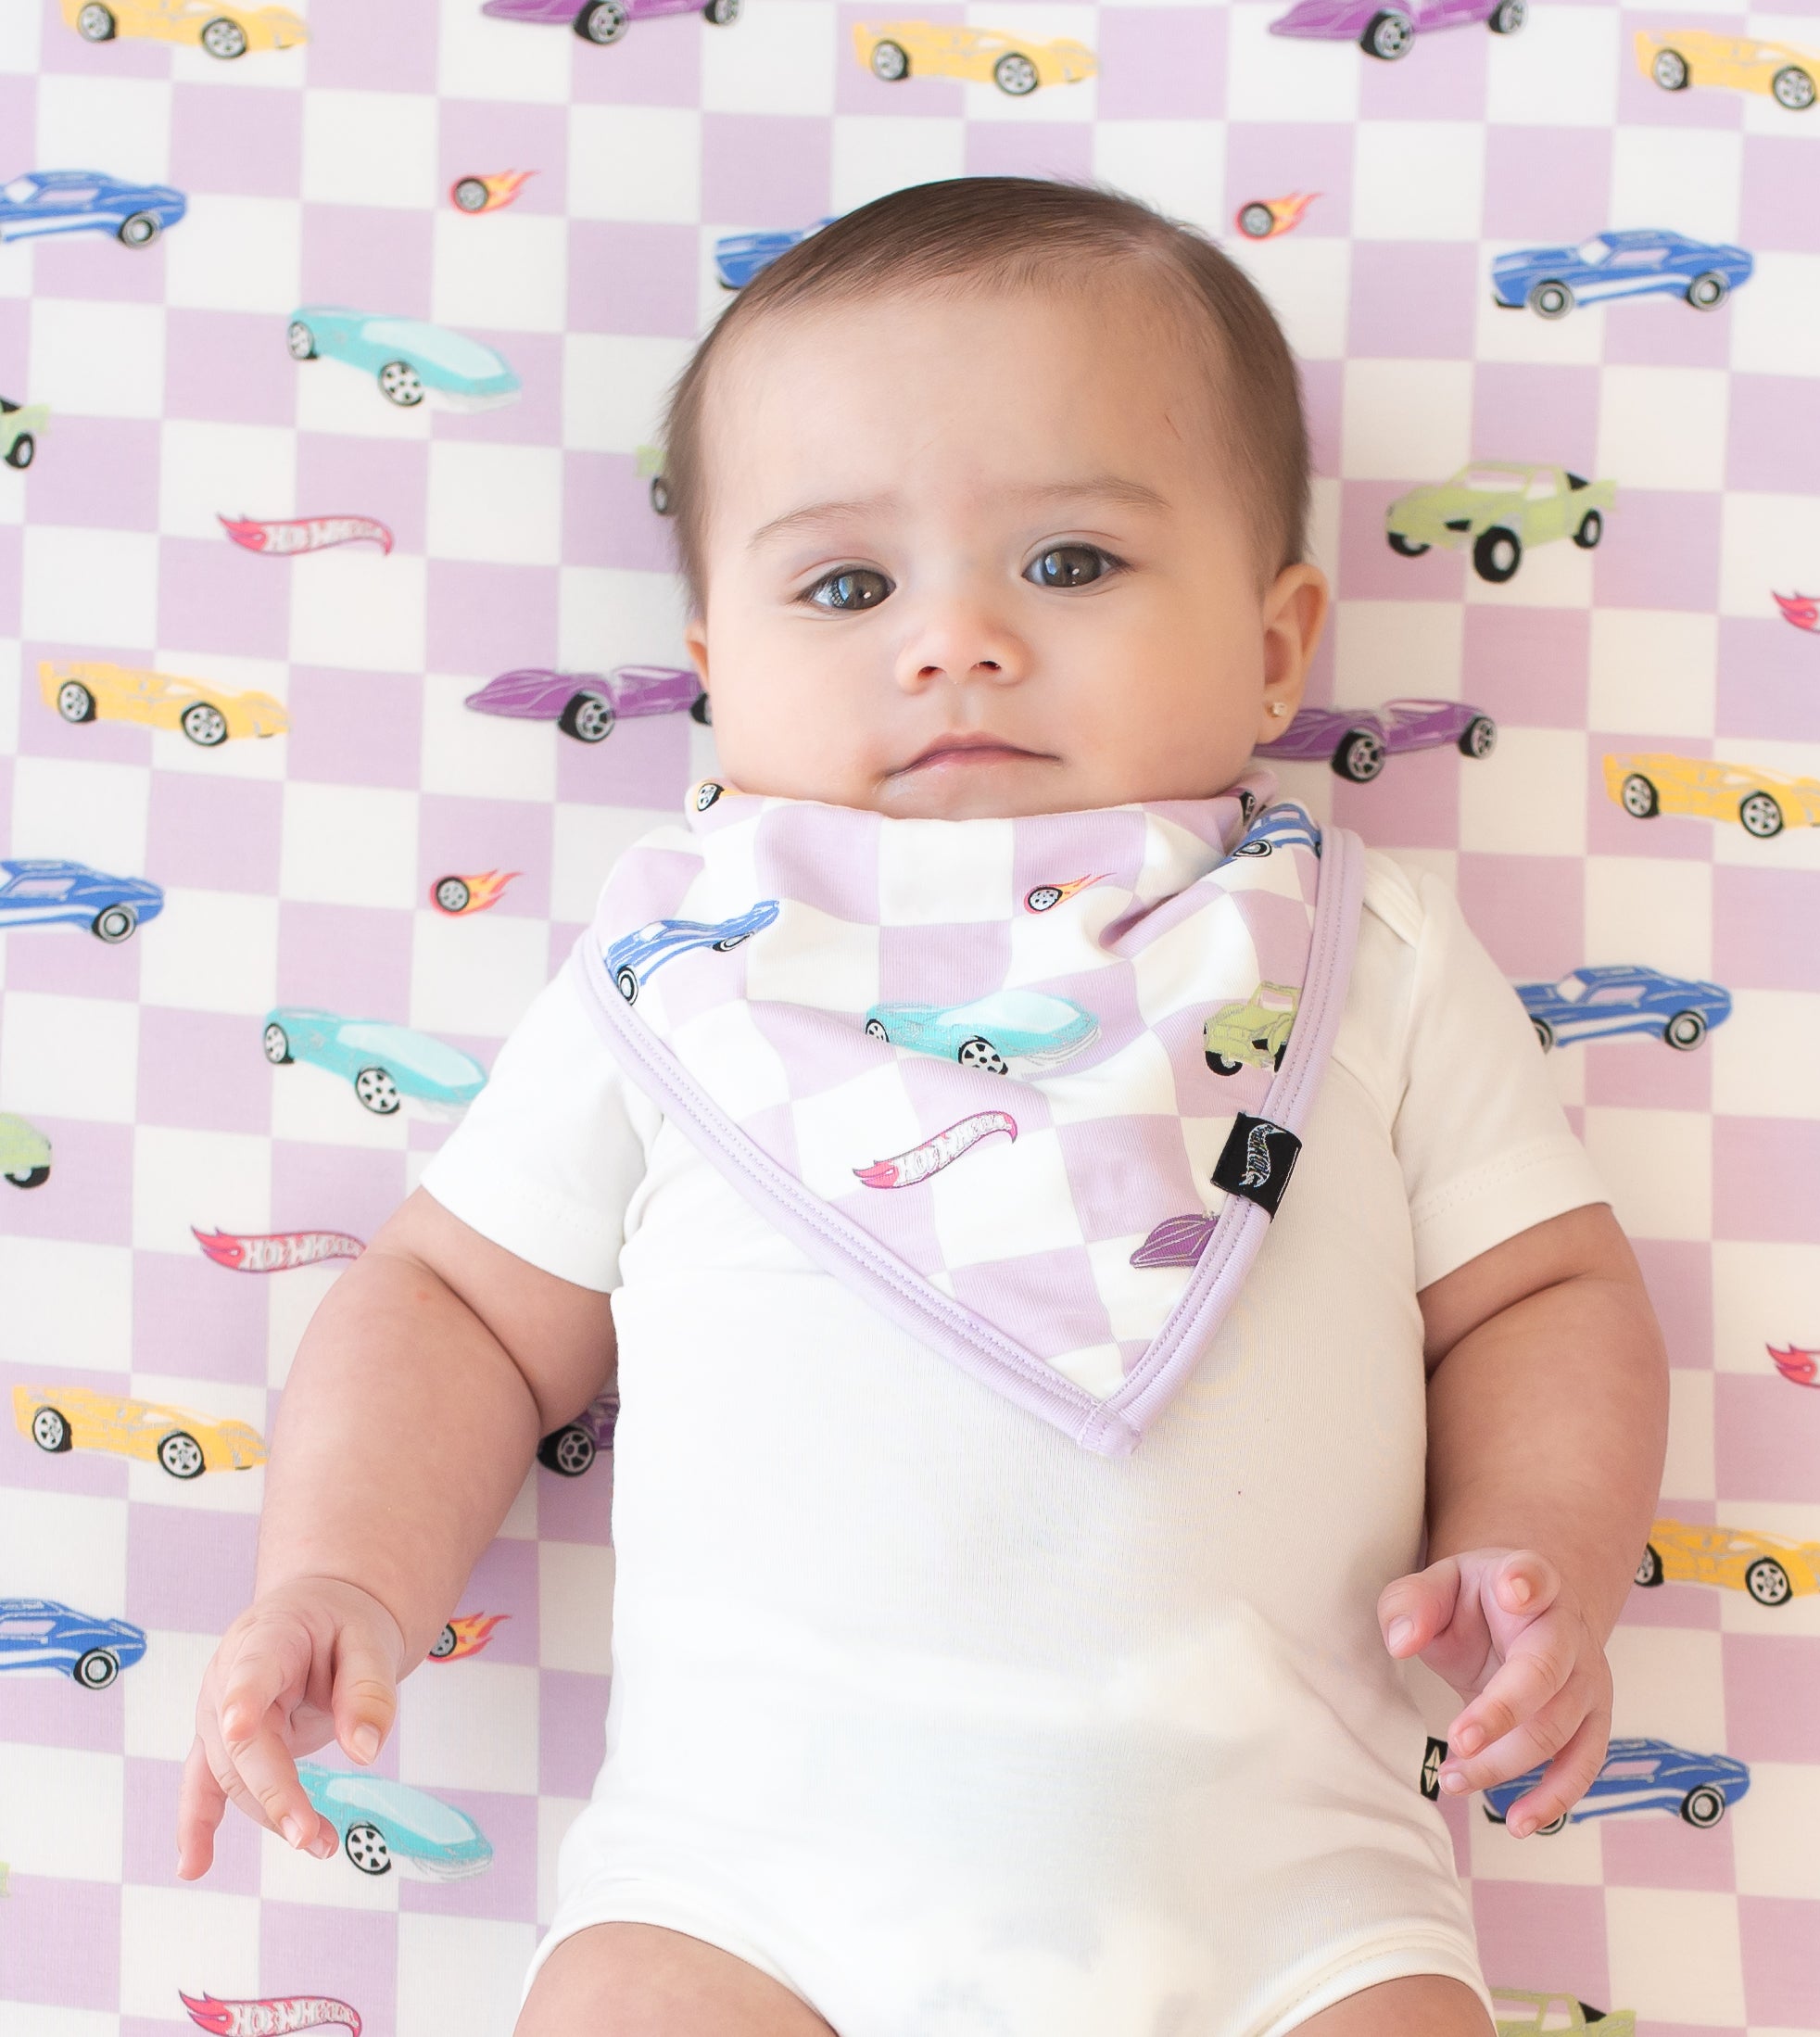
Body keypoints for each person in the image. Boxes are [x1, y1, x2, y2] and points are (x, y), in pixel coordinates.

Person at [175, 175, 1667, 2037]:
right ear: (716, 677)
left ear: (1279, 646)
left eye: (1068, 563)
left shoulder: (1357, 958)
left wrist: (1542, 1555)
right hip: (743, 1895)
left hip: (1293, 1903)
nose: (952, 639)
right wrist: (343, 1571)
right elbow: (458, 1307)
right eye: (846, 584)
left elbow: (1542, 1297)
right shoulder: (685, 974)